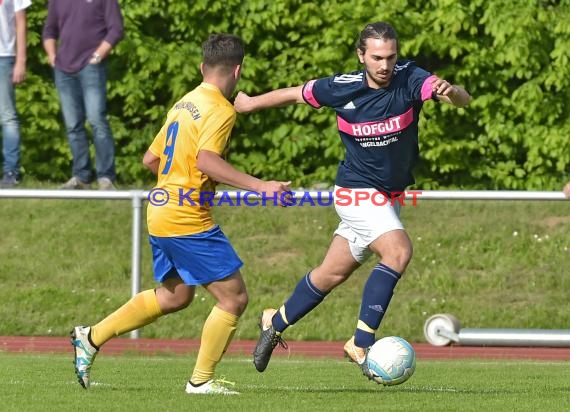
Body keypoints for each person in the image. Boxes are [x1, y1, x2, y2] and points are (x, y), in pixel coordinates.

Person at [234, 21, 471, 378]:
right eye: (376, 57)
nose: (385, 65)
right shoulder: (342, 88)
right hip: (355, 193)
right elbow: (295, 93)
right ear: (361, 55)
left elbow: (463, 100)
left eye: (390, 57)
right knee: (398, 252)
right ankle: (360, 343)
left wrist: (451, 92)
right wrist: (249, 104)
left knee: (330, 274)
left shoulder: (411, 78)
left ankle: (274, 320)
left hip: (388, 198)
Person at [69, 33, 291, 395]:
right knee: (233, 298)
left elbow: (150, 159)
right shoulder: (220, 108)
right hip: (185, 215)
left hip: (161, 208)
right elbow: (207, 160)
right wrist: (261, 186)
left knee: (175, 295)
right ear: (238, 70)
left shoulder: (183, 103)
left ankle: (90, 337)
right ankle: (200, 381)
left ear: (203, 67)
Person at [42, 0, 123, 190]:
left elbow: (116, 29)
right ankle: (81, 176)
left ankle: (106, 177)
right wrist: (52, 56)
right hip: (63, 69)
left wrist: (98, 55)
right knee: (73, 125)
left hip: (91, 67)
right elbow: (49, 31)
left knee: (97, 120)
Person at [0, 0, 30, 188]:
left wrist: (21, 60)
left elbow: (20, 21)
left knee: (7, 116)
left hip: (4, 56)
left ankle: (11, 171)